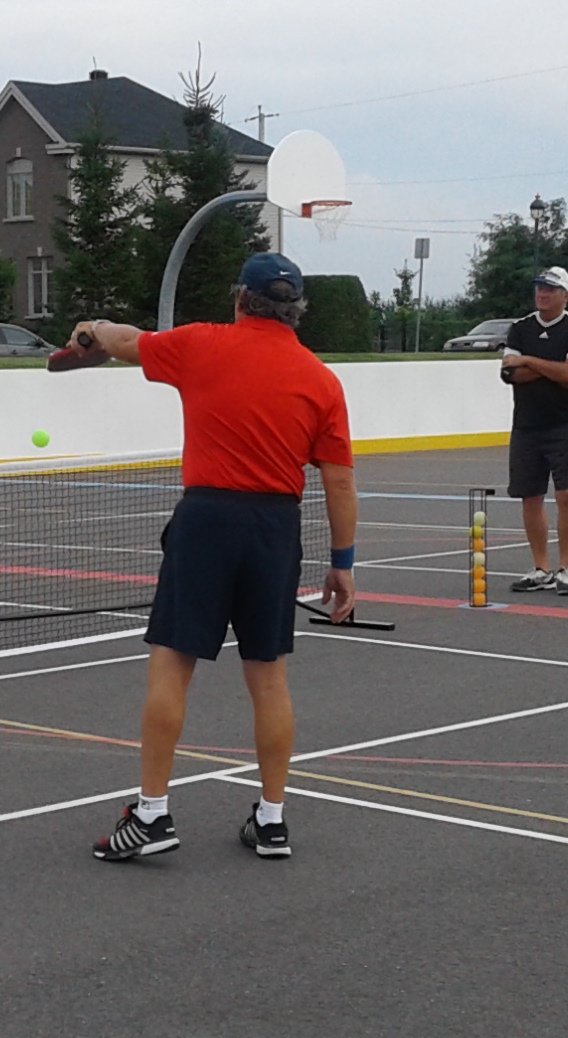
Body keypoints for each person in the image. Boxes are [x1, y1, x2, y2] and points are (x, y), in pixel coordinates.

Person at [66, 253, 358, 862]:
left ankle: (151, 815)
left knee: (172, 665)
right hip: (274, 529)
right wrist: (343, 562)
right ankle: (272, 819)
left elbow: (125, 339)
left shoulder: (201, 345)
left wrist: (91, 328)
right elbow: (339, 483)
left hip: (207, 519)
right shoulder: (321, 379)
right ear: (295, 308)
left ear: (239, 300)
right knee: (269, 675)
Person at [500, 266, 568, 594]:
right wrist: (550, 367)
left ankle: (566, 569)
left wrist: (530, 361)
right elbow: (510, 374)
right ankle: (541, 568)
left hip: (565, 424)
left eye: (551, 289)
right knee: (530, 496)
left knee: (567, 494)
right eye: (540, 287)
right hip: (526, 424)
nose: (543, 292)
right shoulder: (520, 328)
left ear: (565, 296)